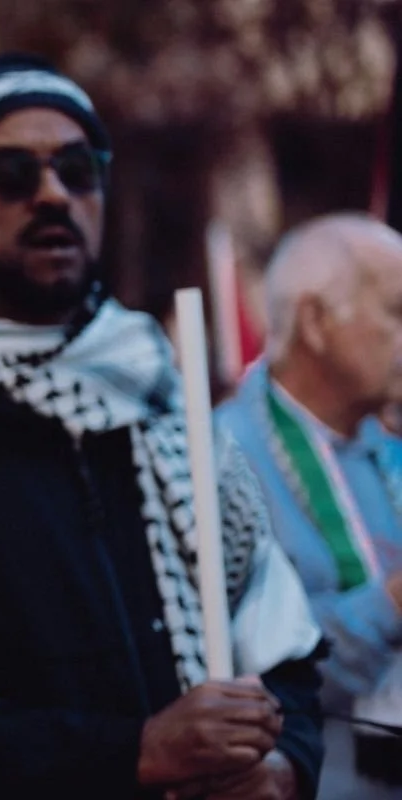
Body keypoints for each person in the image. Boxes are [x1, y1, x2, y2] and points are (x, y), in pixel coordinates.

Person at [0, 54, 327, 799]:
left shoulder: (154, 398)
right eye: (12, 174)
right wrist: (126, 754)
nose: (53, 196)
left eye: (78, 170)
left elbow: (282, 643)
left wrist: (281, 766)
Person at [214, 213, 402, 797]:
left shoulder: (386, 447)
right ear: (316, 322)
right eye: (396, 312)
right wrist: (392, 601)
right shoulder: (223, 460)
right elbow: (255, 665)